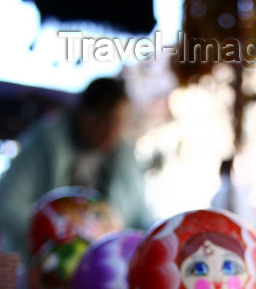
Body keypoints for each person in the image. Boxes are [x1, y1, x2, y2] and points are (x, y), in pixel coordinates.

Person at [0, 76, 153, 257]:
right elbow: (6, 202)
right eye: (105, 120)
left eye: (119, 123)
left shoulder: (125, 159)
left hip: (105, 269)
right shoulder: (45, 144)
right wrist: (54, 236)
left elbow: (141, 217)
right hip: (41, 269)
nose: (111, 131)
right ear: (83, 112)